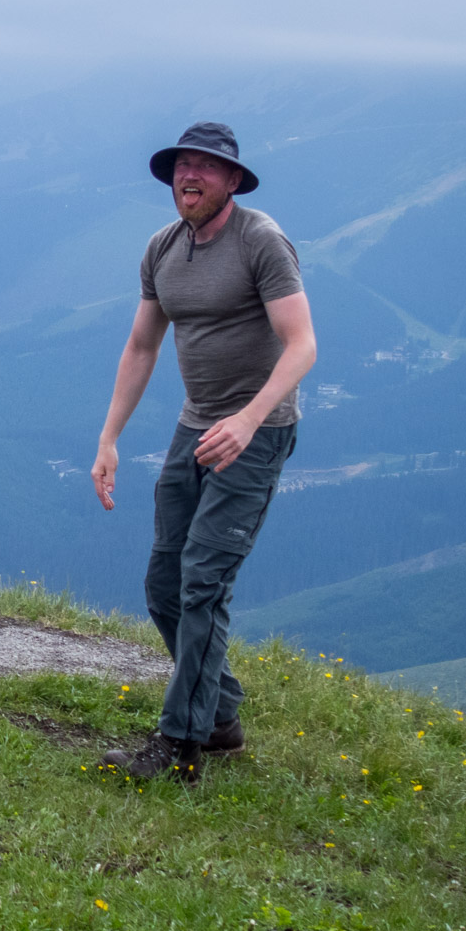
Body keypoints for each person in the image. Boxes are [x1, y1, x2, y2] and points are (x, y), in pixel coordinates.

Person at [91, 122, 317, 780]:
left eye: (205, 168)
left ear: (232, 182)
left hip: (257, 431)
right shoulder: (162, 248)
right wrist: (109, 439)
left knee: (203, 582)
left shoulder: (262, 243)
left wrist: (248, 421)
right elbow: (141, 346)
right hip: (195, 428)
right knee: (165, 582)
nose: (189, 177)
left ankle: (179, 744)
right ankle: (218, 716)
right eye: (180, 167)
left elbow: (302, 344)